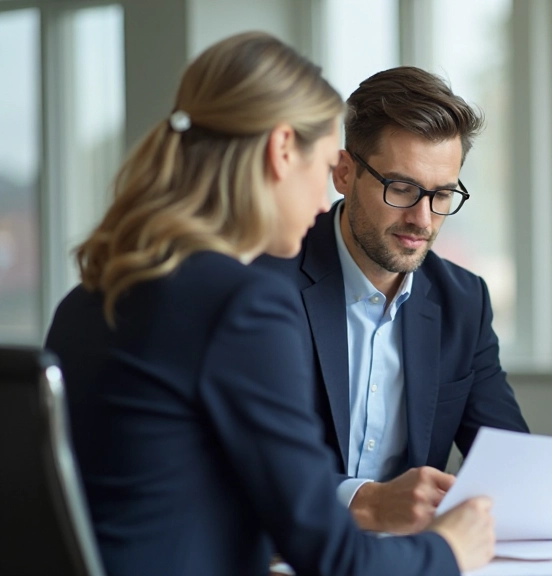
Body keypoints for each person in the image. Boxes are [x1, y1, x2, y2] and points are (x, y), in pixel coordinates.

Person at [44, 32, 493, 576]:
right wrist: (451, 549)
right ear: (283, 151)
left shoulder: (96, 290)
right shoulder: (240, 304)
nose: (324, 196)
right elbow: (334, 556)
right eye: (324, 165)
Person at [255, 66, 529, 535]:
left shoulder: (464, 301)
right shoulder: (264, 283)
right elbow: (250, 458)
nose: (422, 219)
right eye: (401, 188)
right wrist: (366, 501)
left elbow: (513, 461)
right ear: (344, 173)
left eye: (442, 194)